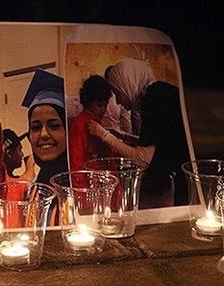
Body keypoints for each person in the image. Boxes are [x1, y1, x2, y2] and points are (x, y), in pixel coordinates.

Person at [87, 58, 191, 208]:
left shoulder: (153, 98)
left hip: (187, 173)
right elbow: (157, 141)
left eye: (118, 93)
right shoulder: (157, 92)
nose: (118, 102)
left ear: (126, 84)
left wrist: (104, 135)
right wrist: (122, 136)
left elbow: (142, 158)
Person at [21, 69, 68, 187]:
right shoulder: (35, 187)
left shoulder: (88, 187)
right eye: (36, 127)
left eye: (54, 126)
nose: (43, 134)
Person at [68, 75, 114, 171]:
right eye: (99, 105)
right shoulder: (79, 125)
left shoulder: (97, 122)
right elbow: (76, 164)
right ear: (87, 102)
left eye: (106, 105)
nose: (103, 110)